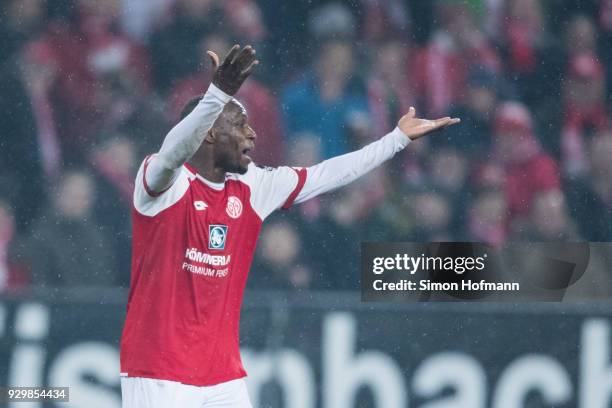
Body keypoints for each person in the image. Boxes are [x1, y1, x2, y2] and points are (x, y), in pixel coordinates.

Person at [119, 44, 459, 407]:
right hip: (158, 372)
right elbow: (174, 150)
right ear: (209, 134)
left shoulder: (253, 187)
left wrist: (395, 140)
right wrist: (217, 95)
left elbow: (326, 174)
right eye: (239, 125)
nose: (252, 134)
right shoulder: (163, 183)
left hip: (222, 376)